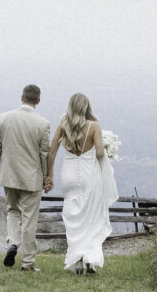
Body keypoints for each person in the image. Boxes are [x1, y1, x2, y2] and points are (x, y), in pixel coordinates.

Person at [45, 92, 116, 275]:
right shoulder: (94, 126)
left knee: (73, 217)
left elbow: (51, 152)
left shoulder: (63, 124)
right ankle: (89, 260)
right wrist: (104, 150)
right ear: (87, 107)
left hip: (68, 174)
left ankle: (77, 259)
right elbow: (99, 153)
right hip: (87, 175)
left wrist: (49, 175)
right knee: (89, 218)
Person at [0, 83, 51, 271]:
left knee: (12, 211)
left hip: (9, 175)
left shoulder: (4, 118)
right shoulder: (43, 124)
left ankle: (13, 242)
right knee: (30, 219)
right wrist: (47, 178)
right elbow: (44, 155)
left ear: (21, 97)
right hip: (32, 178)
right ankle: (28, 263)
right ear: (38, 100)